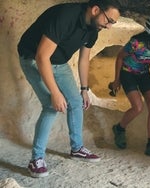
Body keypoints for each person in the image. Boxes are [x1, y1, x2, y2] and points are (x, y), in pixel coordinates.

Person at [17, 0, 120, 178]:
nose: (109, 26)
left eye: (113, 23)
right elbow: (42, 56)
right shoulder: (65, 16)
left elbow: (83, 60)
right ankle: (36, 159)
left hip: (59, 62)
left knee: (76, 102)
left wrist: (84, 89)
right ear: (96, 9)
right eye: (109, 20)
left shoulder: (94, 29)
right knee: (50, 105)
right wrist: (55, 93)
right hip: (33, 58)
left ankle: (77, 148)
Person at [110, 16, 150, 160]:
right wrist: (117, 80)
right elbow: (120, 57)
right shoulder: (136, 43)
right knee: (138, 107)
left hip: (143, 74)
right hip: (128, 73)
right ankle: (119, 128)